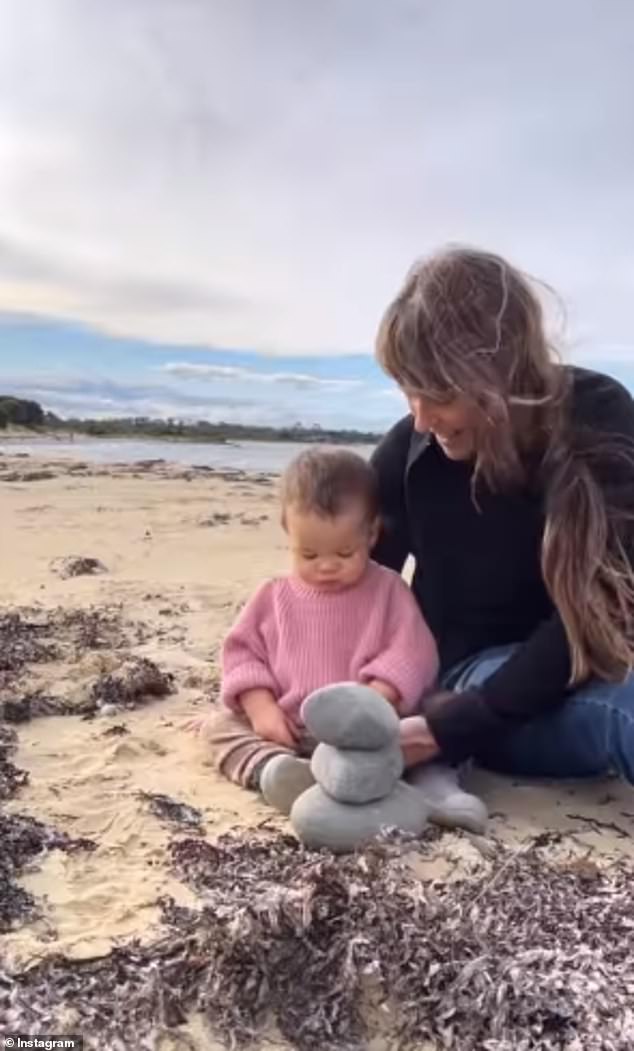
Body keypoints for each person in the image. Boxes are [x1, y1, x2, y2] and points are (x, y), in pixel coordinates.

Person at [371, 245, 634, 785]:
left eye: (440, 392)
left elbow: (605, 608)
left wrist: (452, 728)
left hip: (580, 657)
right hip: (476, 683)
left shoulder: (598, 416)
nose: (422, 419)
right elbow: (350, 589)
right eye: (408, 391)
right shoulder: (408, 455)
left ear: (502, 369)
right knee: (623, 709)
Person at [199, 447, 483, 821]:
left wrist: (374, 701)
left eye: (345, 552)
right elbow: (242, 655)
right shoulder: (273, 596)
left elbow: (413, 653)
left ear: (372, 533)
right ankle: (278, 773)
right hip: (291, 730)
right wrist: (260, 707)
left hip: (373, 735)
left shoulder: (388, 590)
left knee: (440, 724)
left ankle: (434, 793)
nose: (328, 566)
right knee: (216, 726)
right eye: (309, 554)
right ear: (288, 531)